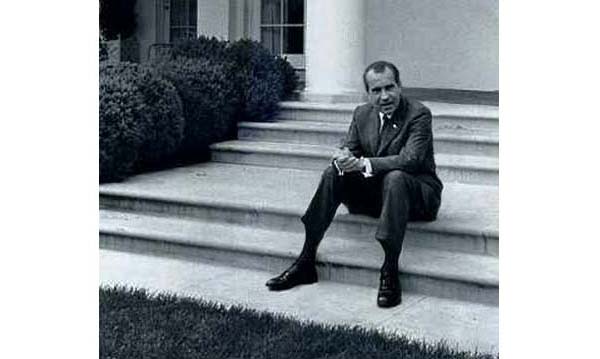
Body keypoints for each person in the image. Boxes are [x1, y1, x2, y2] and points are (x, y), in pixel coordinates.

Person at [265, 61, 443, 308]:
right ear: (367, 93)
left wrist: (362, 164)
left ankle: (390, 269)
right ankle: (306, 260)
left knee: (396, 176)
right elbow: (351, 148)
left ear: (400, 86)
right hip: (378, 197)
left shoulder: (418, 114)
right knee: (332, 173)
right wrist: (343, 157)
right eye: (376, 90)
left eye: (389, 88)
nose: (384, 96)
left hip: (418, 196)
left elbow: (409, 160)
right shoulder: (361, 114)